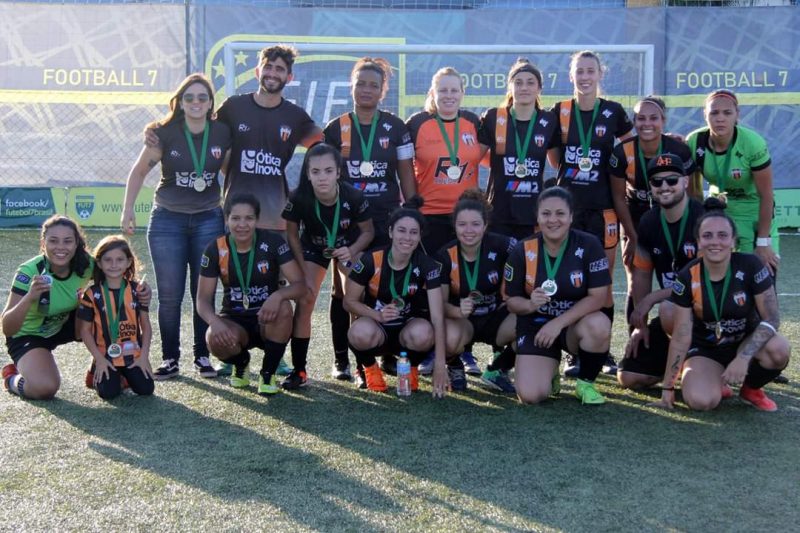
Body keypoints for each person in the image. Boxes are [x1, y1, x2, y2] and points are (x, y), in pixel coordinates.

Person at [125, 72, 232, 380]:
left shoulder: (221, 132)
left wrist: (233, 212)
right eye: (189, 97)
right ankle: (170, 358)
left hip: (208, 219)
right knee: (170, 296)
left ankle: (202, 356)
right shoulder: (164, 133)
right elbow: (139, 171)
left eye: (202, 97)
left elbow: (230, 174)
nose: (196, 102)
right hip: (167, 220)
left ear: (210, 103)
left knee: (203, 292)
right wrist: (127, 209)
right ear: (180, 102)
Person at [322, 57, 415, 380]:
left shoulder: (396, 127)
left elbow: (406, 174)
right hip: (348, 224)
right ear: (352, 85)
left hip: (386, 221)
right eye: (360, 83)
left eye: (373, 85)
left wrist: (411, 210)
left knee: (384, 287)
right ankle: (342, 361)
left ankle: (385, 355)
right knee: (344, 291)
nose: (366, 89)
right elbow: (325, 177)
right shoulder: (336, 128)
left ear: (383, 90)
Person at [651, 208, 790, 412]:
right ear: (699, 242)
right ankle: (713, 379)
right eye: (707, 235)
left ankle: (750, 389)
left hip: (745, 342)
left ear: (733, 241)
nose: (715, 241)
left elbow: (772, 319)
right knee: (701, 401)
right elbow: (681, 334)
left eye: (723, 235)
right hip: (707, 348)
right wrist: (667, 387)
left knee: (779, 349)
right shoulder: (687, 275)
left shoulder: (751, 265)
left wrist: (743, 357)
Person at [549, 50, 634, 376]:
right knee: (569, 279)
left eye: (590, 71)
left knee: (601, 280)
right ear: (571, 76)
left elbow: (631, 149)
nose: (585, 77)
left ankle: (602, 351)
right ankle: (573, 352)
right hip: (567, 211)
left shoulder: (613, 112)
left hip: (603, 209)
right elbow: (556, 158)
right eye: (579, 71)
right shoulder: (560, 111)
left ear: (600, 74)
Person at [2, 216, 150, 400]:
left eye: (67, 241)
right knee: (44, 388)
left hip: (66, 325)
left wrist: (142, 290)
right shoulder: (29, 271)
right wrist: (30, 296)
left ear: (76, 244)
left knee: (107, 310)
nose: (61, 247)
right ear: (43, 243)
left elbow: (116, 277)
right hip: (30, 334)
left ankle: (97, 370)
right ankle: (11, 378)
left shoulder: (86, 264)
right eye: (53, 241)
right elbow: (8, 328)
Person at [504, 187, 613, 405]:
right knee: (530, 396)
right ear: (537, 217)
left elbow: (598, 297)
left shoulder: (589, 244)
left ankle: (585, 383)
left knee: (599, 324)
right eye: (546, 214)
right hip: (537, 328)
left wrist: (558, 323)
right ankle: (549, 369)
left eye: (560, 213)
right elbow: (511, 300)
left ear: (571, 216)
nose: (553, 220)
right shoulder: (523, 249)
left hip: (573, 326)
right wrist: (529, 305)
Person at [282, 143, 374, 388]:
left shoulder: (353, 196)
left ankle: (361, 367)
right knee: (306, 299)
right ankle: (299, 371)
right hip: (313, 249)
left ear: (338, 172)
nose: (322, 177)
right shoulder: (298, 197)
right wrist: (303, 270)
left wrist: (352, 250)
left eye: (328, 171)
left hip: (347, 247)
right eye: (315, 171)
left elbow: (368, 232)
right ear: (307, 173)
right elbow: (291, 234)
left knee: (354, 298)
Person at [196, 193, 305, 395]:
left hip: (267, 317)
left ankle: (268, 373)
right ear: (226, 219)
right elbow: (202, 299)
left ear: (257, 220)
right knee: (213, 337)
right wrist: (215, 322)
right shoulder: (215, 249)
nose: (242, 225)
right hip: (235, 320)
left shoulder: (272, 242)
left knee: (284, 308)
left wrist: (277, 296)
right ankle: (241, 363)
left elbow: (300, 285)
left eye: (249, 218)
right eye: (236, 218)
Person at [344, 197, 448, 397]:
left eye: (413, 232)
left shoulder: (427, 265)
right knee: (358, 332)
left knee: (425, 333)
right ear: (391, 232)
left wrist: (440, 365)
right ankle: (370, 369)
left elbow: (437, 317)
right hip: (377, 328)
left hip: (408, 330)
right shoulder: (371, 260)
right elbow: (349, 302)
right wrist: (377, 315)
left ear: (420, 236)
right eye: (401, 230)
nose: (407, 237)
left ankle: (412, 368)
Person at [618, 154, 704, 390]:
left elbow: (700, 282)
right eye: (657, 182)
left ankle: (703, 363)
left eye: (672, 180)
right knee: (629, 377)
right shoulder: (649, 221)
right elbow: (641, 276)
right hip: (675, 313)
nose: (664, 186)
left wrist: (652, 298)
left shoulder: (702, 218)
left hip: (707, 315)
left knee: (668, 308)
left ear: (685, 181)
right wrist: (641, 325)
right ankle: (679, 361)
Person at [609, 96, 695, 324]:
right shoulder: (622, 152)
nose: (647, 123)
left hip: (674, 219)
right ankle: (637, 335)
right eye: (641, 118)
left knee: (684, 276)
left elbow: (692, 194)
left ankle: (688, 333)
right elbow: (618, 198)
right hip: (636, 219)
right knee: (635, 278)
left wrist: (691, 229)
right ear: (634, 122)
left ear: (663, 121)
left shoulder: (679, 150)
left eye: (653, 118)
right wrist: (632, 237)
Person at [686, 89, 780, 276]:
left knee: (762, 276)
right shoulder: (695, 141)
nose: (720, 118)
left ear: (737, 115)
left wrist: (763, 242)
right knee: (718, 277)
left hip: (753, 212)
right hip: (718, 212)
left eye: (727, 113)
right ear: (705, 115)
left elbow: (766, 195)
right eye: (714, 113)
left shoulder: (752, 143)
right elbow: (693, 193)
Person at [437, 190, 518, 393]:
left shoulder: (502, 245)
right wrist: (457, 311)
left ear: (485, 225)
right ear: (454, 226)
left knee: (531, 323)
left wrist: (513, 292)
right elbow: (439, 305)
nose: (469, 231)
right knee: (447, 335)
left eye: (475, 224)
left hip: (495, 317)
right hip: (462, 321)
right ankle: (455, 366)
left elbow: (531, 252)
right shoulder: (445, 255)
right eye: (462, 224)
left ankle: (498, 369)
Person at [406, 67, 487, 254]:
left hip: (467, 213)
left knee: (465, 268)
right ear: (433, 93)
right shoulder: (417, 124)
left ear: (462, 93)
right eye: (443, 90)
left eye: (454, 90)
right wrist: (410, 203)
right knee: (434, 268)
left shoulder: (473, 122)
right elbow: (404, 166)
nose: (449, 95)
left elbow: (484, 159)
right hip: (429, 214)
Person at [479, 58, 560, 241]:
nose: (524, 88)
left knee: (530, 259)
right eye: (518, 82)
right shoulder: (494, 117)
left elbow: (555, 162)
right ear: (510, 87)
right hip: (498, 212)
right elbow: (475, 157)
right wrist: (498, 164)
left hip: (532, 213)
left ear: (539, 88)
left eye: (530, 82)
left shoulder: (548, 120)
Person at [78, 235, 154, 400]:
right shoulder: (92, 294)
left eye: (119, 260)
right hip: (105, 356)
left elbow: (146, 326)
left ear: (128, 262)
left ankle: (123, 375)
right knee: (108, 393)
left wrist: (144, 357)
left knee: (146, 389)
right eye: (108, 260)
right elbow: (85, 331)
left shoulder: (138, 291)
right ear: (99, 263)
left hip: (133, 355)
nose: (114, 265)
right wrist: (99, 359)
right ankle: (95, 368)